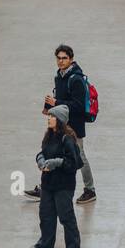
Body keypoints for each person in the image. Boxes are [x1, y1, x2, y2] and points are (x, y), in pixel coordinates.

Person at [26, 43, 96, 205]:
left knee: (80, 157)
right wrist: (50, 107)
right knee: (51, 152)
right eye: (58, 58)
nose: (61, 61)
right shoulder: (59, 76)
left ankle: (90, 189)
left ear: (71, 59)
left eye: (64, 58)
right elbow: (60, 99)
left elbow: (78, 106)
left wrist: (57, 101)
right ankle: (46, 188)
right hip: (59, 123)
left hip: (74, 125)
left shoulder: (76, 79)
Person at [28, 106, 83, 248]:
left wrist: (56, 162)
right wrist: (40, 160)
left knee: (66, 216)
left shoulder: (67, 139)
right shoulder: (49, 136)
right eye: (49, 116)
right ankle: (45, 244)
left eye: (52, 116)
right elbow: (42, 152)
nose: (49, 118)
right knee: (46, 215)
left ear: (60, 120)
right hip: (48, 184)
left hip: (63, 185)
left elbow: (74, 163)